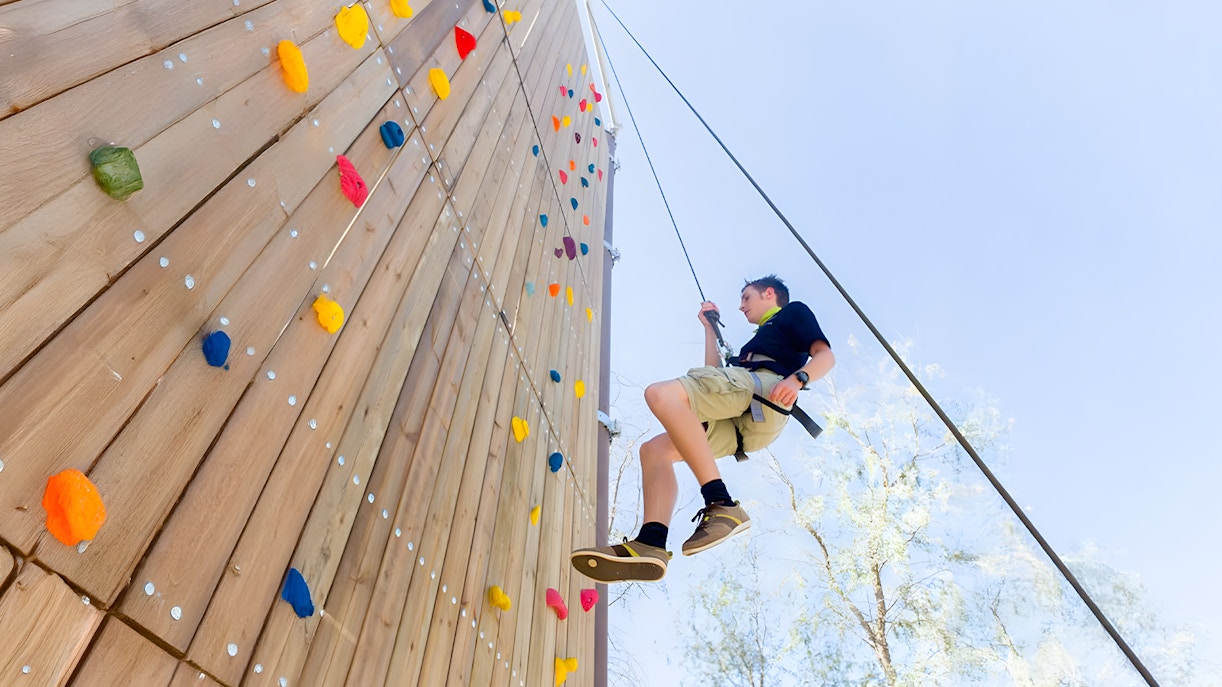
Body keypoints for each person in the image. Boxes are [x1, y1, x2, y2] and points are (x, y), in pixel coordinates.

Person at [571, 275, 834, 583]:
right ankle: (652, 542)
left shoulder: (793, 313)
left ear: (769, 293)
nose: (741, 306)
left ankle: (720, 502)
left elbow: (826, 356)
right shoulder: (756, 342)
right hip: (746, 425)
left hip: (766, 391)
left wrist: (799, 378)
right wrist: (709, 328)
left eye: (746, 297)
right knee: (654, 451)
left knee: (661, 394)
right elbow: (713, 376)